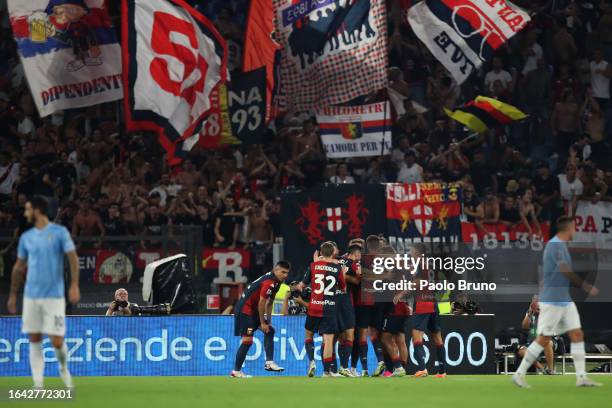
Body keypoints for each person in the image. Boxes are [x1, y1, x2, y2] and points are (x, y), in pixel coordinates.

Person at [512, 216, 601, 388]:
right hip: (553, 299)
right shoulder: (555, 245)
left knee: (576, 334)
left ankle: (582, 377)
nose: (575, 231)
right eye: (574, 228)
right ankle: (519, 374)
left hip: (563, 298)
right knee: (543, 338)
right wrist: (584, 285)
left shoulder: (561, 246)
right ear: (566, 229)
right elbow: (564, 270)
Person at [6, 196, 80, 389]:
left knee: (56, 341)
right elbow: (18, 267)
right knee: (34, 339)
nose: (25, 213)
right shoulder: (26, 237)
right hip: (31, 296)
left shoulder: (60, 233)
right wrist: (14, 294)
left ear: (37, 210)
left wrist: (74, 285)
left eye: (28, 209)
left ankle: (63, 368)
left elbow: (72, 259)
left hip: (54, 296)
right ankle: (38, 383)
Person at [231, 260, 290, 378]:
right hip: (245, 310)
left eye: (287, 273)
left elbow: (270, 302)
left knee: (269, 330)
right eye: (283, 272)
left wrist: (268, 321)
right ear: (276, 270)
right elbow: (262, 302)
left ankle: (269, 363)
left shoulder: (277, 283)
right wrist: (262, 323)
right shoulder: (269, 282)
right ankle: (236, 371)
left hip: (252, 310)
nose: (285, 275)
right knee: (247, 341)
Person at [396, 243, 447, 378]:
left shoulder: (420, 264)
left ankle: (422, 368)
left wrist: (401, 294)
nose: (411, 253)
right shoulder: (432, 266)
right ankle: (442, 371)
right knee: (437, 337)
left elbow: (417, 283)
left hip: (423, 304)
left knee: (416, 336)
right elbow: (437, 285)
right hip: (433, 303)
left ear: (418, 252)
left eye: (412, 251)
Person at [302, 241, 346, 378]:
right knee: (328, 340)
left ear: (320, 253)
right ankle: (326, 372)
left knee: (308, 334)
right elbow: (343, 288)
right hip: (329, 308)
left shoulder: (313, 266)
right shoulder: (337, 268)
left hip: (314, 306)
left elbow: (303, 285)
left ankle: (312, 361)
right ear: (333, 253)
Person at [517, 295, 554, 374]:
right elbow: (524, 326)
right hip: (533, 342)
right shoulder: (530, 313)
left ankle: (550, 370)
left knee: (548, 342)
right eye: (534, 302)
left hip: (548, 341)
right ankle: (543, 369)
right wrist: (530, 314)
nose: (536, 304)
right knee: (521, 351)